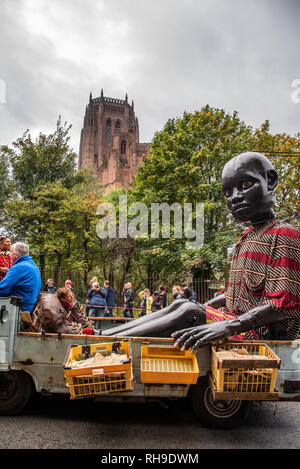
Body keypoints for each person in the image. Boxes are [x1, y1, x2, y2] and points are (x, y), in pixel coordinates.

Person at [99, 152, 300, 346]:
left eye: (246, 185)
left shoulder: (284, 235)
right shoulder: (246, 239)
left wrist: (230, 326)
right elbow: (234, 295)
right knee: (182, 305)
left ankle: (103, 339)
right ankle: (100, 334)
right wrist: (204, 307)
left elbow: (283, 303)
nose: (235, 198)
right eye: (228, 193)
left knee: (188, 311)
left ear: (270, 181)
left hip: (259, 334)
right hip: (235, 322)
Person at [0, 242, 41, 313]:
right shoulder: (34, 266)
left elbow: (2, 289)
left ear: (16, 254)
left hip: (17, 310)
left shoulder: (18, 267)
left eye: (11, 253)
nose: (10, 256)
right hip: (30, 309)